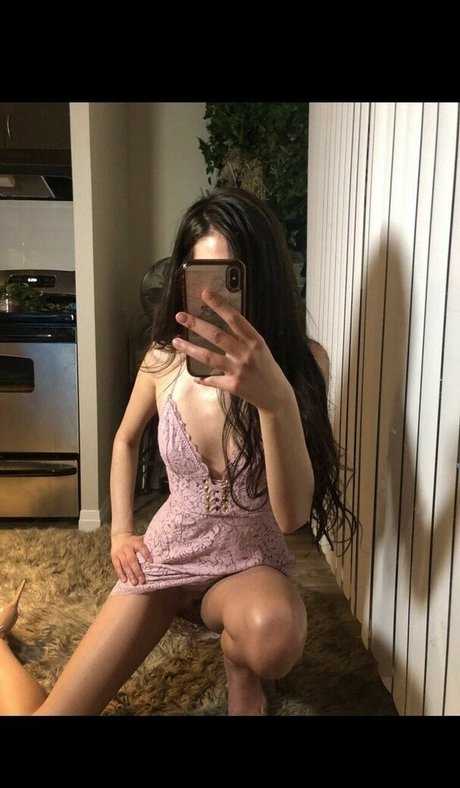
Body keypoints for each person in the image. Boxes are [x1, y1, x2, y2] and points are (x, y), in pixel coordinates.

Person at [0, 187, 355, 716]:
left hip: (249, 564)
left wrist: (276, 400)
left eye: (229, 280)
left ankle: (239, 661)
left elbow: (291, 517)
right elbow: (125, 440)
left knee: (274, 641)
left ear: (260, 279)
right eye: (200, 280)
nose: (214, 300)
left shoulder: (302, 365)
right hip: (166, 559)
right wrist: (121, 531)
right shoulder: (163, 359)